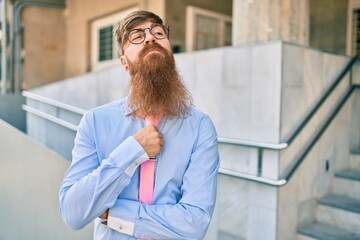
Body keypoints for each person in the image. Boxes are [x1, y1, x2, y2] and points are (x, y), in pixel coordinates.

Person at [59, 10, 220, 240]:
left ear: (170, 53)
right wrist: (132, 150)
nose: (150, 38)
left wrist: (114, 214)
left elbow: (194, 224)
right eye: (136, 35)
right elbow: (73, 212)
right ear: (124, 62)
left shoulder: (200, 127)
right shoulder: (95, 122)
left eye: (158, 32)